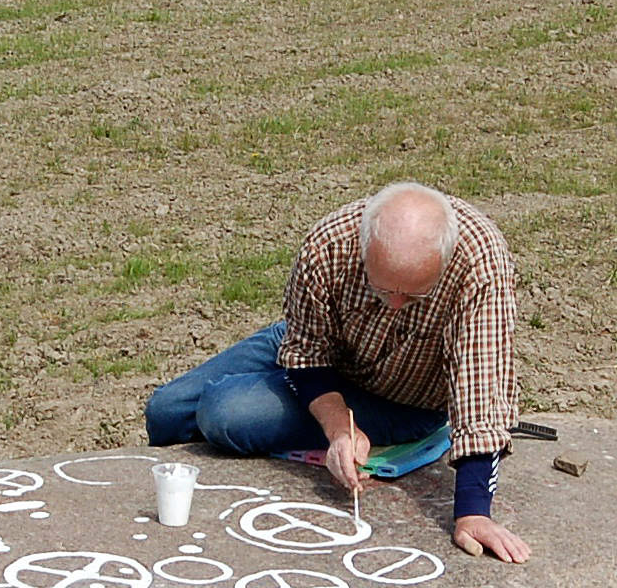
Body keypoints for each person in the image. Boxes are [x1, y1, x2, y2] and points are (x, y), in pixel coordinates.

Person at [145, 182, 530, 562]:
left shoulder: (481, 265)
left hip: (404, 397)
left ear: (443, 262)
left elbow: (481, 388)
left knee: (224, 412)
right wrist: (338, 428)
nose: (395, 305)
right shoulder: (329, 244)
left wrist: (473, 511)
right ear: (365, 248)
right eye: (382, 291)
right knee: (165, 410)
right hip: (324, 353)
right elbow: (307, 350)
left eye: (413, 297)